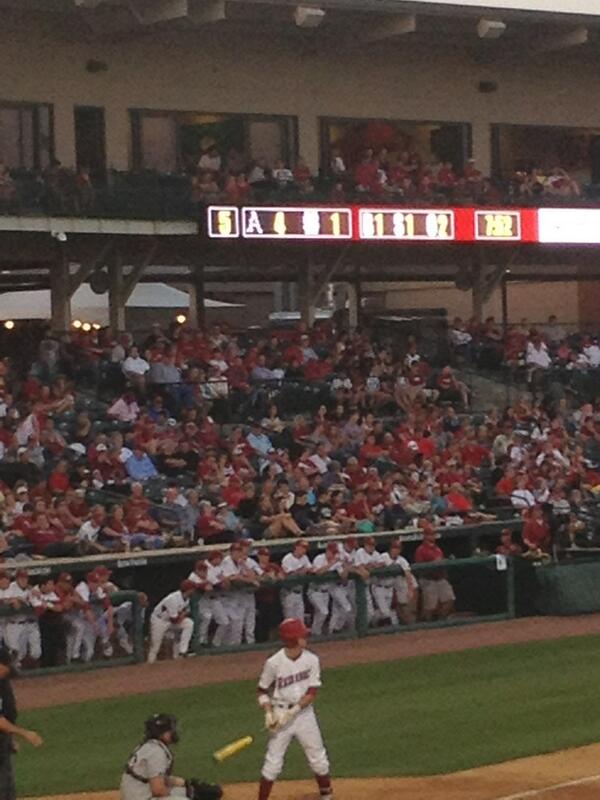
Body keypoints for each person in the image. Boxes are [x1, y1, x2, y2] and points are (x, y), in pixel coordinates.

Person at [257, 618, 333, 800]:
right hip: (279, 712)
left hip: (304, 715)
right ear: (293, 639)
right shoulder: (274, 663)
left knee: (318, 757)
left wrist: (292, 712)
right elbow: (261, 691)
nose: (305, 638)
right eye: (302, 635)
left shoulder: (311, 660)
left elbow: (312, 691)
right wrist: (268, 713)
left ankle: (327, 796)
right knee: (273, 762)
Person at [120, 713, 222, 800]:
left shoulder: (150, 747)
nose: (174, 732)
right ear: (161, 734)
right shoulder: (156, 752)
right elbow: (158, 790)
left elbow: (160, 778)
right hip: (142, 797)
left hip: (139, 794)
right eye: (170, 730)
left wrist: (186, 785)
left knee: (189, 793)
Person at [0, 645, 43, 799]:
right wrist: (25, 733)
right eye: (6, 665)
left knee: (7, 789)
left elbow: (7, 713)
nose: (9, 670)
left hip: (2, 741)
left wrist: (9, 740)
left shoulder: (3, 681)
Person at [147, 580, 197, 663]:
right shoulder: (173, 599)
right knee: (155, 646)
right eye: (193, 589)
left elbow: (185, 612)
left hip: (171, 620)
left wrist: (182, 615)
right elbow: (175, 620)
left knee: (189, 623)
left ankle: (182, 652)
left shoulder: (187, 598)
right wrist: (182, 615)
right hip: (159, 620)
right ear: (189, 590)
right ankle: (149, 663)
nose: (194, 591)